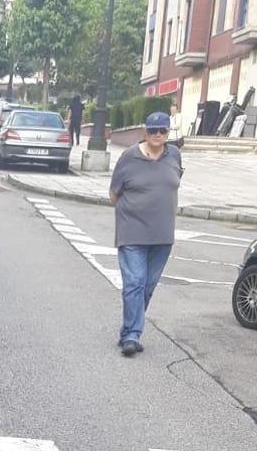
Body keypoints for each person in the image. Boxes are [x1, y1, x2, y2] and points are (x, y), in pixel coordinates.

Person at [109, 112, 183, 357]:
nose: (158, 135)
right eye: (153, 131)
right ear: (145, 132)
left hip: (162, 234)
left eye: (162, 131)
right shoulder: (129, 157)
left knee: (148, 286)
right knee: (134, 283)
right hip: (132, 231)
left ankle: (128, 329)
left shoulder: (174, 155)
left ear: (167, 132)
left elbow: (173, 182)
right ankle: (132, 336)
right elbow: (114, 194)